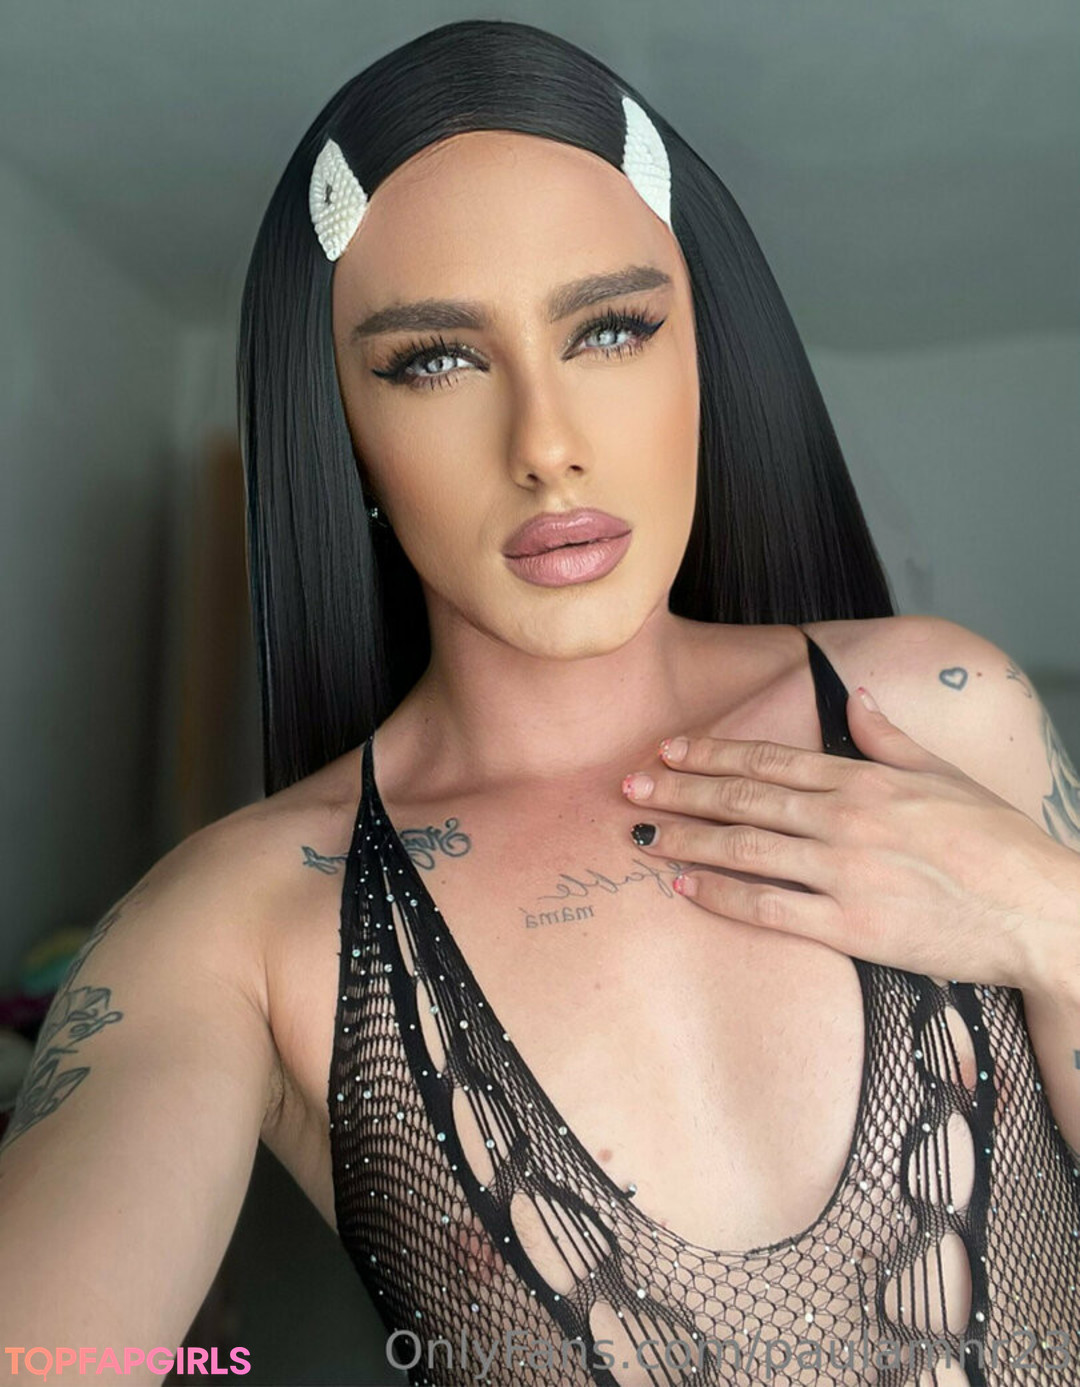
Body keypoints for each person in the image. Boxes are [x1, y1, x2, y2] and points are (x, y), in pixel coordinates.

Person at [2, 19, 1079, 1387]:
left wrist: (1051, 916)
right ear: (345, 429)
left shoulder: (947, 712)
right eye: (435, 361)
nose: (546, 445)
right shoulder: (240, 928)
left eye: (611, 329)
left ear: (703, 353)